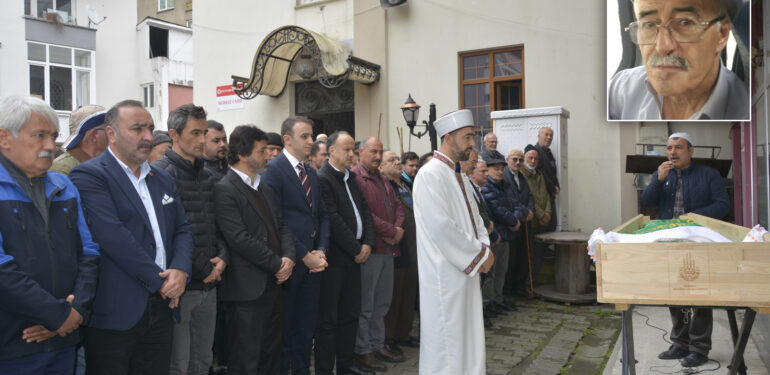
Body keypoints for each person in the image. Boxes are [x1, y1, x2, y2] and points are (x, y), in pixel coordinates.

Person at [69, 99, 193, 375]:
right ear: (111, 134)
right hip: (115, 312)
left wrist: (181, 270)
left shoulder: (161, 178)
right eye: (137, 129)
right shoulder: (89, 175)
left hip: (163, 306)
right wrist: (161, 282)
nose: (148, 136)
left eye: (150, 128)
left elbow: (183, 228)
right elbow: (111, 236)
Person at [0, 95, 100, 373]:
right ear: (4, 138)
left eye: (53, 135)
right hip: (13, 345)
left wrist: (74, 312)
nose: (49, 145)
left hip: (63, 342)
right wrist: (58, 316)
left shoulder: (64, 185)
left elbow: (90, 253)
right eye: (39, 135)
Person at [413, 109, 494, 373]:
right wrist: (480, 255)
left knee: (468, 335)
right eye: (467, 137)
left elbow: (475, 220)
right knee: (447, 340)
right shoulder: (429, 175)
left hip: (466, 271)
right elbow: (442, 228)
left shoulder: (458, 174)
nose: (473, 143)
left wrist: (485, 247)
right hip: (444, 274)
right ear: (448, 138)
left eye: (473, 136)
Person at [641, 132, 729, 368]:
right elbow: (647, 202)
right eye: (669, 148)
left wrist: (697, 217)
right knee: (674, 291)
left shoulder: (708, 174)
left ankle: (699, 348)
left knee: (700, 293)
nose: (672, 152)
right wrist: (658, 180)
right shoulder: (663, 174)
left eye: (678, 147)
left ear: (691, 150)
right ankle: (680, 343)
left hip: (699, 241)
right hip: (670, 241)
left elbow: (723, 205)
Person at [152, 104, 228, 375]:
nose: (202, 140)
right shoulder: (158, 174)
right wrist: (204, 268)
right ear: (174, 134)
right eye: (195, 133)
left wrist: (222, 259)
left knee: (203, 361)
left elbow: (217, 225)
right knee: (178, 364)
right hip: (181, 288)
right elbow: (168, 233)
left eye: (204, 132)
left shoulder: (207, 176)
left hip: (210, 285)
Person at [214, 125, 296, 374]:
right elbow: (239, 239)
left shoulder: (264, 186)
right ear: (241, 153)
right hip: (246, 290)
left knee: (270, 354)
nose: (268, 155)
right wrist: (277, 264)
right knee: (246, 358)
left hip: (273, 284)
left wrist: (289, 258)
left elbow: (281, 226)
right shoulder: (224, 188)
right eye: (262, 151)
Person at [263, 116, 329, 375]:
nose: (311, 142)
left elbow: (322, 214)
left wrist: (321, 250)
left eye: (312, 136)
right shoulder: (273, 171)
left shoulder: (311, 172)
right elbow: (276, 220)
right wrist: (304, 255)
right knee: (286, 330)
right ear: (287, 139)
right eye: (305, 136)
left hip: (314, 265)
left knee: (306, 327)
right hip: (291, 265)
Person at [608, 0, 749, 120]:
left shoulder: (744, 111)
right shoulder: (621, 90)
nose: (662, 47)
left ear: (722, 34)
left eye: (685, 23)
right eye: (649, 24)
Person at [316, 131, 376, 375]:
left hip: (356, 258)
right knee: (329, 320)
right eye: (347, 149)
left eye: (353, 149)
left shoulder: (351, 178)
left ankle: (346, 365)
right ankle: (324, 369)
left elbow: (366, 212)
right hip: (336, 260)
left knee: (350, 315)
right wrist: (356, 248)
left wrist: (369, 243)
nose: (352, 154)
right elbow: (332, 218)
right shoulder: (323, 178)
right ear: (331, 151)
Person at [352, 138, 406, 371]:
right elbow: (365, 214)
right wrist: (391, 231)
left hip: (388, 249)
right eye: (372, 152)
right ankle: (363, 350)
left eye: (379, 152)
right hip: (371, 250)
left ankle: (378, 343)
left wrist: (397, 230)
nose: (377, 156)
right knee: (366, 305)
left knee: (382, 303)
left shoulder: (383, 178)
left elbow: (399, 207)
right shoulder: (356, 178)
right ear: (360, 152)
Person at [381, 150, 419, 355]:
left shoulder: (404, 185)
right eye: (392, 160)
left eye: (398, 160)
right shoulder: (384, 186)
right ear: (381, 167)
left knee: (408, 291)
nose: (397, 163)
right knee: (394, 295)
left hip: (412, 245)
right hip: (396, 245)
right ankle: (388, 337)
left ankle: (404, 332)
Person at [481, 157, 523, 318]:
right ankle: (488, 302)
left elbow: (516, 203)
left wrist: (517, 218)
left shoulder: (505, 185)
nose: (500, 171)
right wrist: (513, 221)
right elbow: (496, 209)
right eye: (496, 169)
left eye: (501, 168)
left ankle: (498, 299)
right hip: (496, 235)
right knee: (491, 272)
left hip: (507, 234)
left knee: (501, 271)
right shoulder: (487, 188)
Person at [466, 155, 501, 329]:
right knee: (482, 279)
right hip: (477, 239)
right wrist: (488, 228)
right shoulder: (467, 186)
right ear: (472, 173)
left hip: (486, 235)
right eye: (483, 170)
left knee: (489, 276)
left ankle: (486, 308)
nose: (487, 174)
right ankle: (482, 311)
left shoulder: (478, 189)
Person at [504, 149, 536, 297]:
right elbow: (511, 199)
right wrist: (524, 213)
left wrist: (530, 210)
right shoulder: (504, 176)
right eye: (514, 159)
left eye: (520, 160)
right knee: (512, 259)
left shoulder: (522, 177)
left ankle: (519, 288)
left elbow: (530, 196)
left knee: (522, 257)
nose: (518, 163)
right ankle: (508, 291)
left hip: (525, 223)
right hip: (513, 222)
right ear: (507, 160)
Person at [521, 145, 551, 285]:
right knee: (530, 256)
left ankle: (535, 282)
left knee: (540, 255)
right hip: (532, 222)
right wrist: (541, 215)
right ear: (524, 159)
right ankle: (528, 284)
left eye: (535, 158)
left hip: (543, 221)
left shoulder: (539, 175)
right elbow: (529, 197)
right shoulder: (522, 175)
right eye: (530, 158)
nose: (533, 161)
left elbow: (546, 196)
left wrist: (548, 213)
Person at [50, 105, 107, 175]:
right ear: (94, 135)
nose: (113, 135)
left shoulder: (103, 163)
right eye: (108, 130)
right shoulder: (62, 168)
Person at [534, 127, 559, 232]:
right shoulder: (536, 152)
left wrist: (557, 186)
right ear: (539, 136)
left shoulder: (548, 152)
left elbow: (553, 173)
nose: (549, 137)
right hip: (542, 197)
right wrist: (552, 188)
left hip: (551, 196)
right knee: (545, 227)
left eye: (551, 135)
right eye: (546, 134)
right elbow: (541, 173)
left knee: (552, 225)